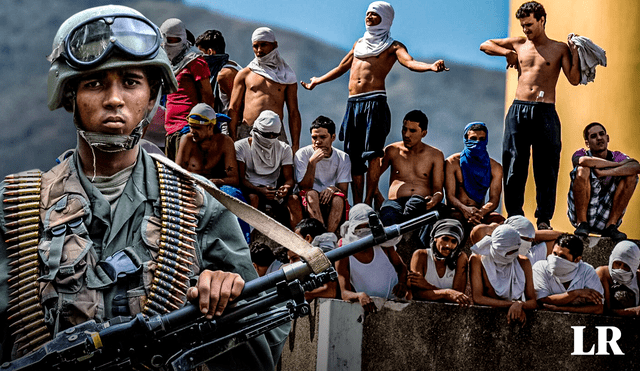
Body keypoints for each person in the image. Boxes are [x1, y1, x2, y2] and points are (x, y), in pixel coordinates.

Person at [0, 5, 279, 369]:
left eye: (131, 82)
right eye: (95, 82)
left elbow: (263, 358)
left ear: (152, 98)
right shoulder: (21, 206)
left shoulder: (196, 204)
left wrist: (228, 302)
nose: (114, 98)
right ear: (70, 96)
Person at [301, 1, 448, 205]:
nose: (369, 17)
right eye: (368, 13)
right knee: (354, 157)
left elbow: (410, 62)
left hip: (375, 103)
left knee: (372, 156)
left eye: (374, 14)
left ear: (385, 18)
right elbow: (342, 66)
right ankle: (357, 203)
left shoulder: (392, 46)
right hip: (354, 104)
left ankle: (368, 201)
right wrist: (318, 80)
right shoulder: (359, 44)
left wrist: (431, 66)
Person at [480, 1, 581, 230]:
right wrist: (506, 52)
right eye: (523, 25)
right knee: (515, 162)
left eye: (529, 24)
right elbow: (485, 45)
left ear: (541, 20)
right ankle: (514, 214)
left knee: (546, 167)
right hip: (519, 109)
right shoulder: (519, 44)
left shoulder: (558, 49)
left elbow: (574, 79)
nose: (526, 29)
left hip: (545, 110)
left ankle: (544, 218)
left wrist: (574, 53)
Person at [175, 103, 251, 243]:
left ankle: (242, 244)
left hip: (216, 188)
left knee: (233, 195)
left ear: (210, 127)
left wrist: (216, 182)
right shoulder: (186, 140)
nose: (192, 131)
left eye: (197, 128)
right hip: (192, 187)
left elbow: (234, 179)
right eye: (191, 127)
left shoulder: (224, 142)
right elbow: (176, 174)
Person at [229, 27, 301, 154]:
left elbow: (293, 111)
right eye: (255, 46)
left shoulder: (287, 76)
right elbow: (233, 108)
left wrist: (295, 144)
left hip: (276, 133)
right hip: (247, 132)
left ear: (274, 45)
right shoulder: (244, 74)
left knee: (280, 171)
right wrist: (233, 137)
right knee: (246, 172)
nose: (259, 50)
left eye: (263, 45)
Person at [568, 122, 640, 240]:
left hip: (606, 214)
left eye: (601, 134)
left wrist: (605, 172)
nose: (599, 138)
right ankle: (582, 224)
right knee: (582, 170)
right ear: (587, 143)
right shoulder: (581, 153)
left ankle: (611, 227)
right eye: (594, 136)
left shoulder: (617, 155)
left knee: (631, 175)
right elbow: (583, 161)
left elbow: (636, 167)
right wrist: (618, 165)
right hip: (582, 212)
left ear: (607, 138)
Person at [335, 204, 408, 313]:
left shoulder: (385, 245)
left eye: (367, 226)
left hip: (395, 305)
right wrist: (359, 296)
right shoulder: (344, 254)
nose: (364, 230)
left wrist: (402, 283)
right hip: (369, 307)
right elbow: (344, 293)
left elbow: (401, 267)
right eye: (361, 226)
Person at [160, 18, 215, 161]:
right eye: (166, 39)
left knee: (185, 176)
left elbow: (207, 96)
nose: (169, 44)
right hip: (170, 130)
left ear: (182, 39)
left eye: (174, 40)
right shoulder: (169, 65)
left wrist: (202, 126)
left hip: (187, 129)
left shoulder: (195, 61)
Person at [378, 110, 444, 226]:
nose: (406, 134)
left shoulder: (435, 155)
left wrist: (435, 200)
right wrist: (377, 195)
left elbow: (438, 189)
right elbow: (373, 176)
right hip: (395, 202)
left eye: (412, 131)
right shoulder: (392, 151)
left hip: (420, 202)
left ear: (423, 133)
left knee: (416, 205)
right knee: (388, 214)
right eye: (404, 129)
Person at [290, 116, 351, 233]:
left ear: (333, 137)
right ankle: (321, 233)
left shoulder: (342, 157)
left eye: (323, 137)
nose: (318, 142)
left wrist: (332, 189)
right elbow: (304, 187)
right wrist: (312, 162)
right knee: (312, 194)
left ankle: (330, 235)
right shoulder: (303, 154)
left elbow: (344, 190)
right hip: (308, 197)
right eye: (314, 138)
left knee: (339, 199)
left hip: (330, 198)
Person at [469, 225, 538, 326]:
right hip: (485, 321)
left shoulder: (523, 262)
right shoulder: (478, 260)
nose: (513, 255)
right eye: (508, 252)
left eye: (515, 251)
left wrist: (519, 305)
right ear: (498, 249)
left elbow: (532, 301)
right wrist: (514, 305)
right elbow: (478, 298)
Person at [235, 110, 294, 223]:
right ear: (257, 130)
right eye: (267, 135)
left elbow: (289, 179)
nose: (270, 138)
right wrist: (259, 190)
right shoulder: (241, 147)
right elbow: (240, 179)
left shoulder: (284, 149)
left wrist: (285, 188)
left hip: (273, 192)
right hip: (249, 189)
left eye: (274, 135)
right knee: (254, 198)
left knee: (294, 201)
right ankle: (248, 237)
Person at [444, 122, 504, 230]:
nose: (477, 143)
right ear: (466, 139)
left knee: (499, 223)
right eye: (473, 138)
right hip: (455, 211)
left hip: (479, 213)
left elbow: (494, 199)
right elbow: (450, 196)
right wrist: (464, 209)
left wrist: (481, 212)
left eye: (481, 139)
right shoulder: (452, 162)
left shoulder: (495, 168)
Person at [532, 233, 604, 314]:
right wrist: (576, 293)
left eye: (562, 257)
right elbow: (542, 300)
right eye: (555, 253)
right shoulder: (540, 267)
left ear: (577, 259)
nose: (556, 260)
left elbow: (598, 308)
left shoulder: (587, 271)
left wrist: (561, 309)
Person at [407, 219, 471, 305]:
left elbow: (457, 296)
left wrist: (427, 286)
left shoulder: (460, 258)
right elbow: (417, 294)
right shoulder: (421, 255)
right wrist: (447, 293)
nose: (448, 245)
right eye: (445, 239)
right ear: (435, 238)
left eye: (453, 241)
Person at [470, 215, 561, 266]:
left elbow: (561, 237)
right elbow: (477, 232)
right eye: (525, 239)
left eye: (530, 240)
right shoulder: (493, 252)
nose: (528, 243)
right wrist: (501, 229)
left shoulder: (530, 256)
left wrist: (529, 233)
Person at [286, 218, 338, 301]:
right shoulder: (326, 249)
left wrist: (304, 295)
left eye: (297, 240)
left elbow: (330, 291)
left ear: (308, 239)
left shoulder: (318, 255)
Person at [195, 30, 242, 119]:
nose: (198, 58)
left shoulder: (226, 73)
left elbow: (238, 107)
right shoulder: (219, 69)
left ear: (210, 52)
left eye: (200, 54)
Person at [596, 241, 640, 316]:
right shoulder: (603, 274)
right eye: (618, 264)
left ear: (633, 267)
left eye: (626, 266)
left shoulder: (638, 277)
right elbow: (605, 310)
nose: (620, 269)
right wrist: (633, 312)